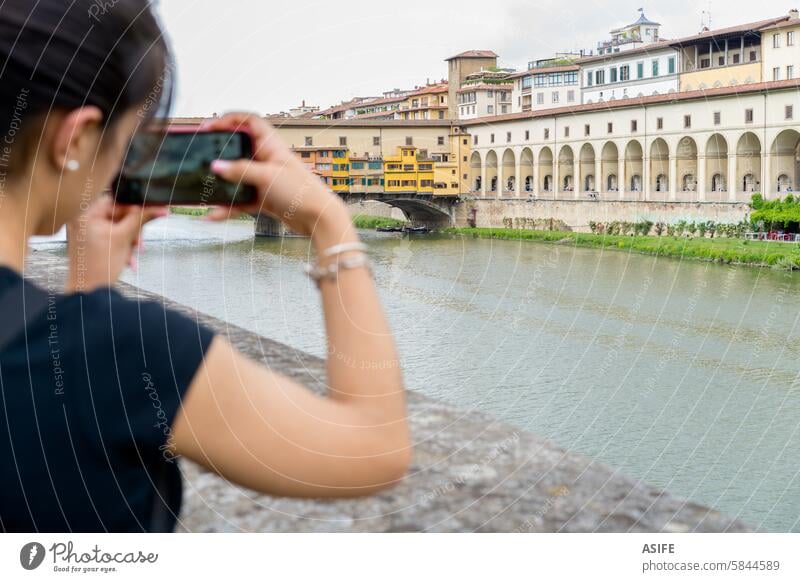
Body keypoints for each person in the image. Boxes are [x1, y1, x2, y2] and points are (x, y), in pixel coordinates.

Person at [0, 0, 410, 532]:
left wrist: (90, 291)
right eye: (125, 143)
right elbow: (375, 448)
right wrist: (329, 224)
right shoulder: (128, 350)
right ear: (74, 139)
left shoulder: (92, 347)